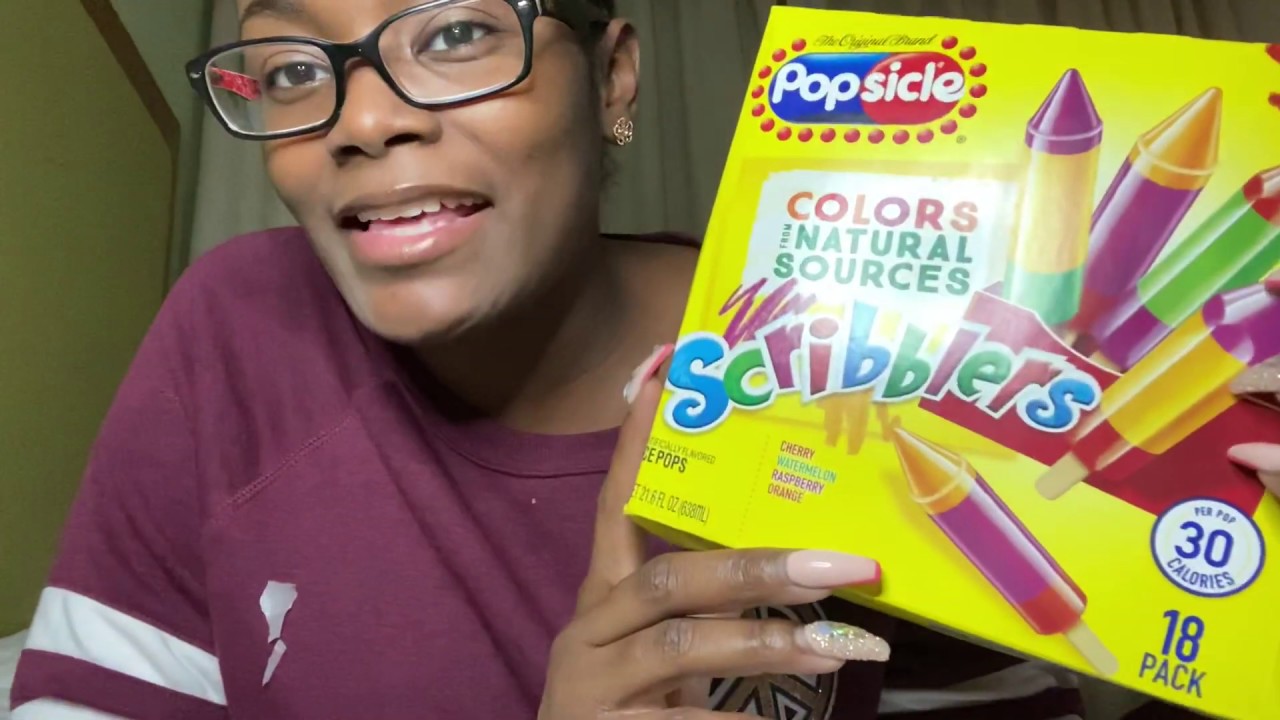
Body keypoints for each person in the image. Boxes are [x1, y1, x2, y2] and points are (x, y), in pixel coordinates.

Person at [8, 1, 1279, 718]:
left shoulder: (866, 376)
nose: (368, 120)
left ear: (612, 78)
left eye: (452, 35)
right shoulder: (239, 328)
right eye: (293, 67)